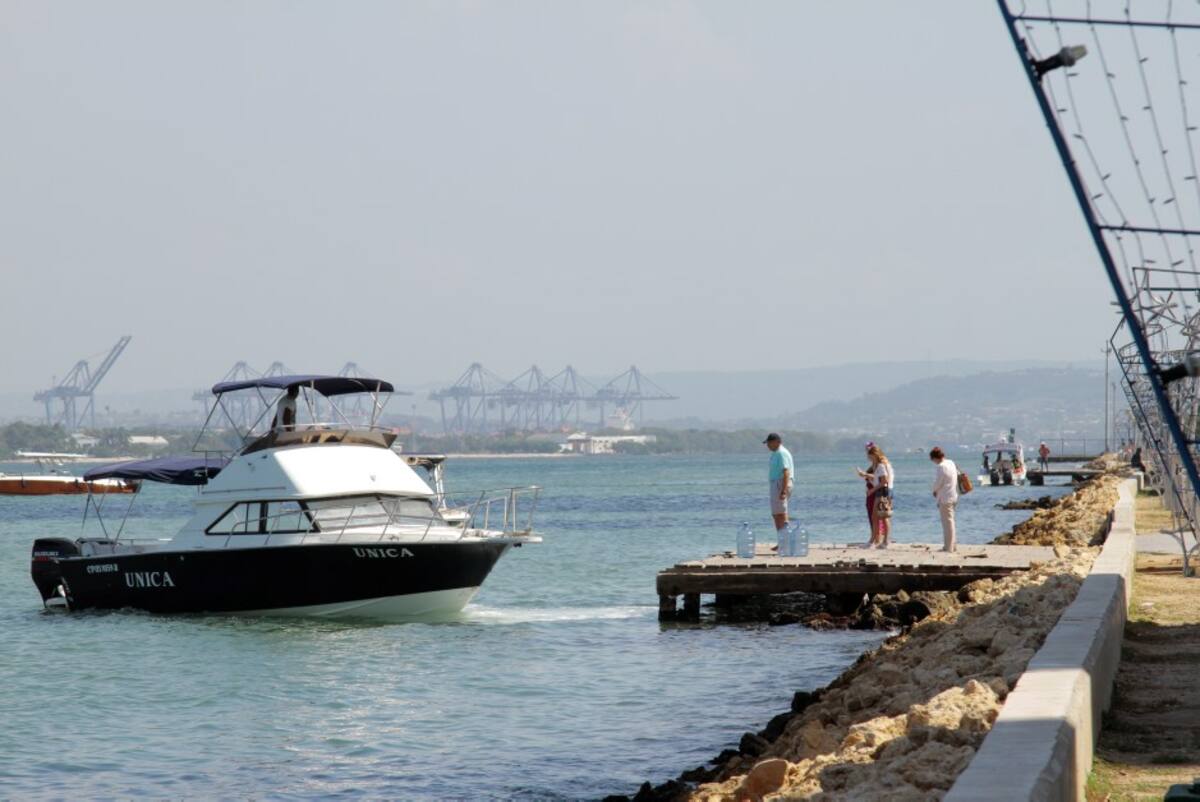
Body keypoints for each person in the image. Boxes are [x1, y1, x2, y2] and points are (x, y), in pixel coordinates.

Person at [856, 444, 895, 548]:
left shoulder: (881, 465)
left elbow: (884, 481)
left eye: (870, 455)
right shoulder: (880, 465)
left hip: (883, 492)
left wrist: (872, 490)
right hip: (883, 491)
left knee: (882, 516)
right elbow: (878, 478)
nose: (868, 457)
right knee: (878, 516)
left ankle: (882, 541)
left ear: (874, 455)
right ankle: (876, 540)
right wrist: (866, 475)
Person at [763, 433, 794, 538]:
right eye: (767, 443)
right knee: (777, 513)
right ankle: (782, 538)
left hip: (780, 483)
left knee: (781, 513)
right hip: (777, 483)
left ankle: (786, 539)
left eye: (770, 443)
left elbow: (786, 472)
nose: (768, 446)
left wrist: (783, 490)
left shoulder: (781, 453)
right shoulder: (777, 453)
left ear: (777, 442)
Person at [930, 446, 959, 553]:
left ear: (935, 458)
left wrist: (933, 490)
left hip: (945, 498)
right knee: (951, 521)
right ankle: (952, 545)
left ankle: (949, 547)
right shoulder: (951, 462)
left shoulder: (941, 467)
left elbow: (938, 482)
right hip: (953, 495)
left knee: (947, 523)